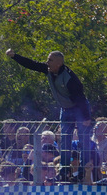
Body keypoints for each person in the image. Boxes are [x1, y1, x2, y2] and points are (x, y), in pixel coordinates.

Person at [6, 49, 94, 177]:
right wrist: (15, 56)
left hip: (79, 109)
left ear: (58, 63)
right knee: (65, 140)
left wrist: (86, 117)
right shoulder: (48, 70)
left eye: (50, 60)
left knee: (83, 140)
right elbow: (32, 64)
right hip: (66, 109)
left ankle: (83, 171)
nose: (47, 62)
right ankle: (64, 170)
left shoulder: (69, 78)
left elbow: (80, 97)